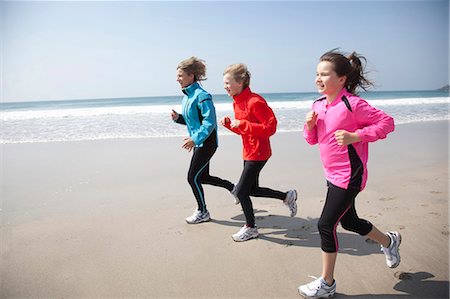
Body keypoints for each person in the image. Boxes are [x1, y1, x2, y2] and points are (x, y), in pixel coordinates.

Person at [297, 49, 401, 298]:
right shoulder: (318, 105)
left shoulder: (353, 105)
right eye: (316, 74)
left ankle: (327, 282)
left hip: (350, 176)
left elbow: (387, 123)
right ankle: (389, 241)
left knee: (325, 224)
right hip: (331, 174)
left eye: (324, 74)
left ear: (341, 79)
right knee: (349, 221)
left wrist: (357, 136)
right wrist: (309, 126)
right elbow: (312, 140)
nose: (318, 79)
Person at [220, 63, 298, 242]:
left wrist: (244, 124)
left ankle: (251, 227)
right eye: (224, 83)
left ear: (240, 82)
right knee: (252, 190)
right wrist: (229, 126)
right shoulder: (237, 102)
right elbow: (244, 131)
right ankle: (287, 196)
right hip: (248, 151)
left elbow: (271, 128)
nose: (225, 87)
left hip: (259, 153)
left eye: (227, 83)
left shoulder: (255, 101)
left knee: (240, 192)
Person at [171, 56, 234, 224]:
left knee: (192, 178)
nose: (177, 79)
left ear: (191, 75)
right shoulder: (187, 97)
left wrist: (194, 138)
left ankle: (202, 211)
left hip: (207, 143)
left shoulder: (202, 95)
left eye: (180, 75)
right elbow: (193, 120)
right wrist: (179, 118)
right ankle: (233, 188)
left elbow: (209, 121)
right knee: (203, 177)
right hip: (199, 142)